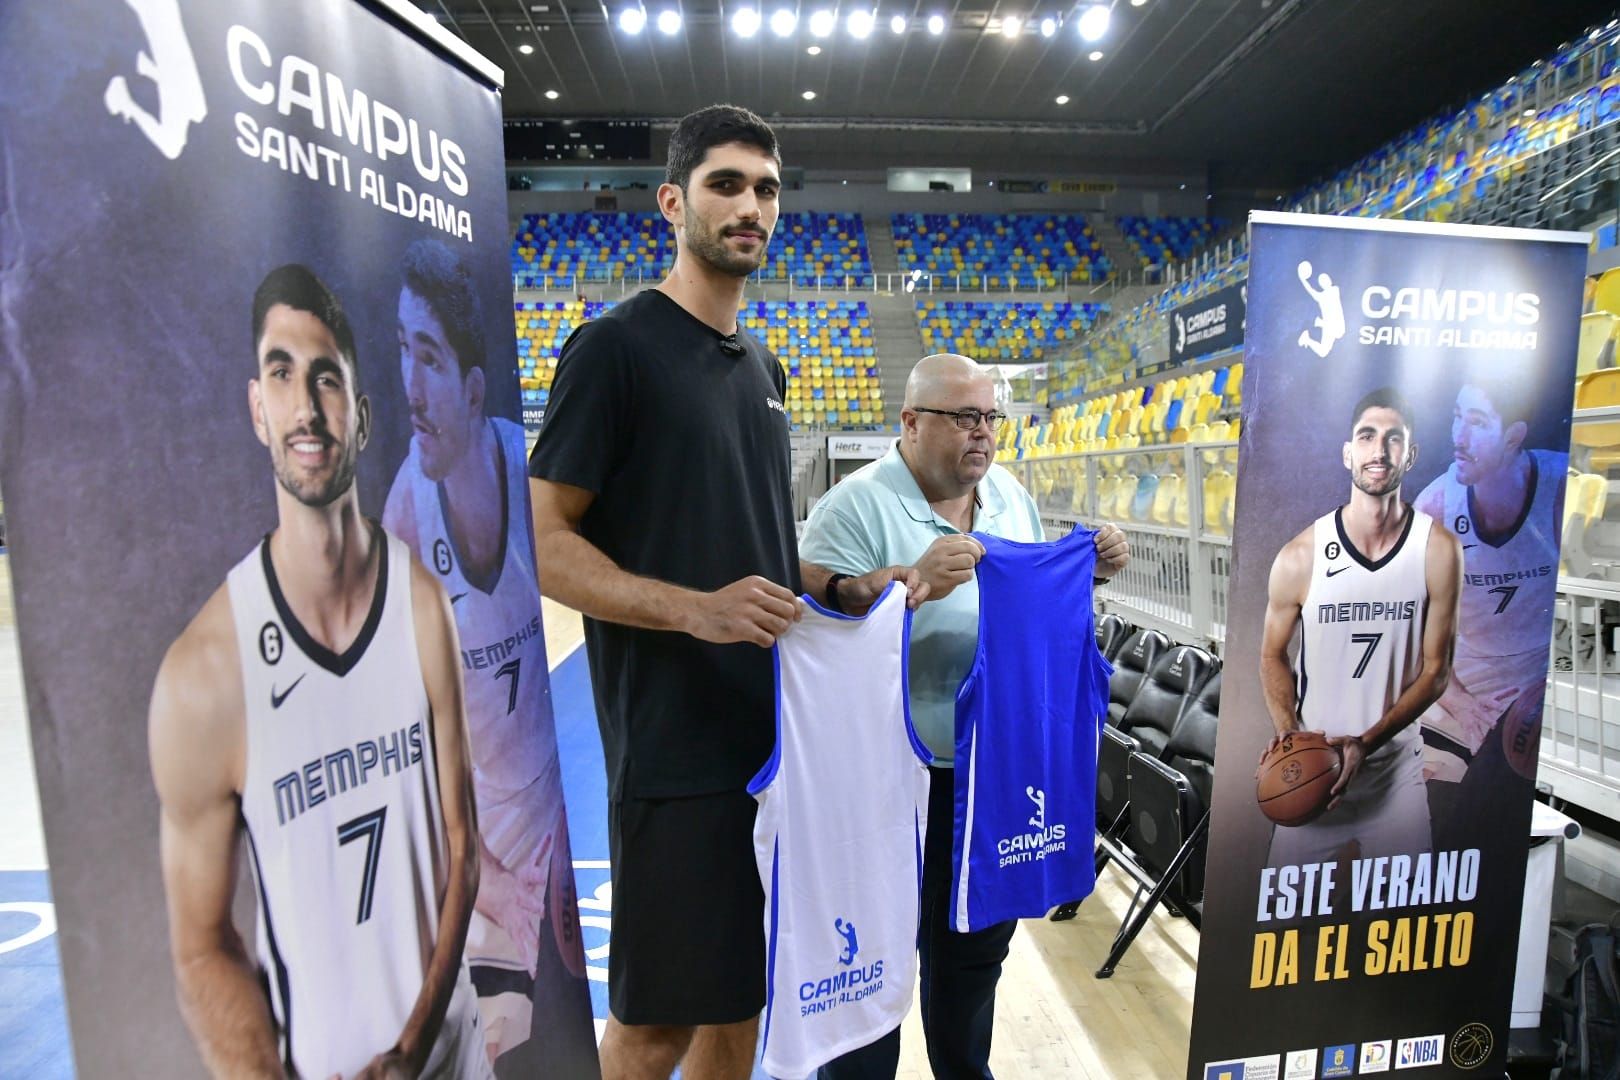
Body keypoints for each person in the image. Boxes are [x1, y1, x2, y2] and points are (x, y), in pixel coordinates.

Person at [527, 104, 917, 1080]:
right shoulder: (613, 349)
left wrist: (845, 588)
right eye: (727, 184)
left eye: (768, 188)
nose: (752, 205)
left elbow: (752, 543)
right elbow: (542, 543)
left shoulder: (762, 371)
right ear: (674, 201)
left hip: (771, 743)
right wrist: (693, 609)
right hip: (673, 750)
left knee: (741, 1009)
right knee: (656, 1023)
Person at [147, 264, 488, 1079]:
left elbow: (463, 848)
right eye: (281, 374)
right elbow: (201, 951)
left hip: (455, 1054)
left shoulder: (418, 599)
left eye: (326, 378)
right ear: (257, 410)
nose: (305, 407)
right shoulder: (203, 674)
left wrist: (412, 1051)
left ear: (362, 417)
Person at [798, 352, 1130, 1079]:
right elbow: (819, 630)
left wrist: (1088, 568)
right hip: (885, 786)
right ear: (912, 422)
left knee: (973, 967)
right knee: (868, 974)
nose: (982, 433)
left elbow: (1033, 612)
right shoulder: (850, 508)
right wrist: (909, 583)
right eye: (964, 418)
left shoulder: (1010, 496)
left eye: (991, 418)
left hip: (990, 782)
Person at [382, 238, 589, 1069]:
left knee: (567, 1051)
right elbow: (411, 736)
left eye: (427, 357)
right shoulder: (405, 514)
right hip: (480, 866)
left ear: (473, 388)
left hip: (549, 833)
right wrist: (476, 872)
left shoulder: (516, 460)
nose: (409, 387)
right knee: (502, 1056)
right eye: (402, 353)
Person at [1259, 386, 1462, 868]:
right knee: (1285, 929)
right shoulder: (1300, 556)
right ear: (1348, 452)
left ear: (1409, 455)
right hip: (1312, 776)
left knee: (1405, 927)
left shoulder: (1437, 551)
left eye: (1393, 439)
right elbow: (1271, 655)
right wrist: (1292, 739)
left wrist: (1364, 745)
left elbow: (1436, 671)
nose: (1379, 449)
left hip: (1395, 778)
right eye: (1366, 436)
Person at [1413, 375, 1565, 835]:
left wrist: (1543, 692)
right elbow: (1415, 628)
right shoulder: (1437, 505)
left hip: (1536, 685)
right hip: (1459, 684)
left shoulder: (1560, 488)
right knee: (1431, 825)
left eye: (1477, 422)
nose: (1458, 436)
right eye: (1457, 416)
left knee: (1509, 830)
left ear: (1514, 436)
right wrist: (1461, 702)